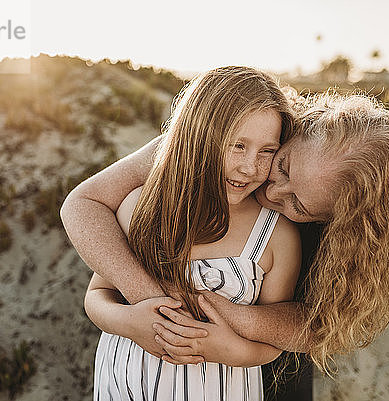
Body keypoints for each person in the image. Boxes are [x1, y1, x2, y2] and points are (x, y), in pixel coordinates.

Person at [61, 71, 389, 389]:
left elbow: (326, 326)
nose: (270, 190)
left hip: (265, 370)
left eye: (298, 206)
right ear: (296, 132)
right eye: (282, 166)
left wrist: (234, 323)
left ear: (335, 219)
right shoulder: (219, 144)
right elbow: (83, 205)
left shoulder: (349, 236)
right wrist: (154, 304)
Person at [83, 66, 302, 400]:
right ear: (199, 138)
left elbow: (274, 341)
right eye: (237, 145)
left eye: (267, 151)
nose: (250, 167)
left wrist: (229, 350)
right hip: (124, 388)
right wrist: (130, 322)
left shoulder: (275, 235)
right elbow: (96, 296)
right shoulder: (141, 206)